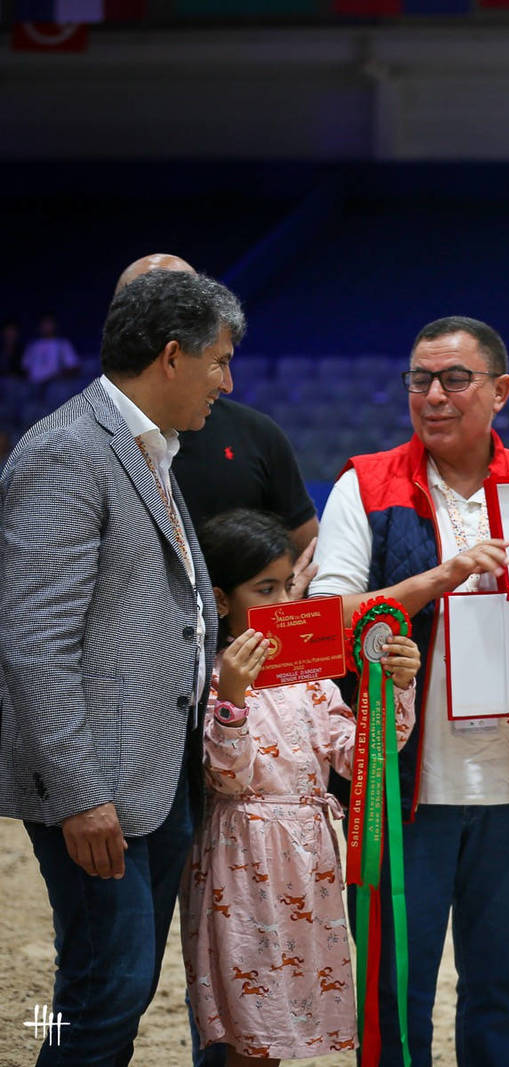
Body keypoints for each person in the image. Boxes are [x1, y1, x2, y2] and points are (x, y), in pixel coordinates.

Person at [309, 315, 509, 1066]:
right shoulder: (364, 485)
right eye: (419, 379)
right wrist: (443, 576)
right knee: (392, 996)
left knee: (502, 992)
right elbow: (326, 622)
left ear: (499, 391)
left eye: (454, 378)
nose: (433, 394)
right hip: (398, 790)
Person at [0, 268, 245, 1065]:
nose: (227, 379)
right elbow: (34, 639)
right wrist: (77, 792)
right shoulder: (67, 452)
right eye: (219, 359)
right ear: (171, 357)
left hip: (154, 769)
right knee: (103, 984)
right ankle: (43, 1051)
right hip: (95, 783)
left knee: (118, 982)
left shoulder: (149, 447)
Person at [184, 508, 419, 1064]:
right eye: (264, 590)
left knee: (285, 1014)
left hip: (309, 860)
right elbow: (226, 775)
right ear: (221, 600)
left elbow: (360, 754)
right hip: (244, 862)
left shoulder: (308, 674)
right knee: (252, 1020)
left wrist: (394, 688)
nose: (283, 604)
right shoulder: (209, 677)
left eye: (289, 586)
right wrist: (234, 699)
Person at [115, 255, 320, 590]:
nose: (227, 384)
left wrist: (281, 608)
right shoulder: (70, 451)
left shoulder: (258, 434)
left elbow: (308, 553)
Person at [22, 312, 80, 385]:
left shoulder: (62, 344)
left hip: (55, 384)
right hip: (33, 385)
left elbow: (73, 367)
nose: (46, 326)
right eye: (44, 323)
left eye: (49, 323)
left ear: (55, 325)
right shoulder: (32, 345)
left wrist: (60, 375)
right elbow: (25, 368)